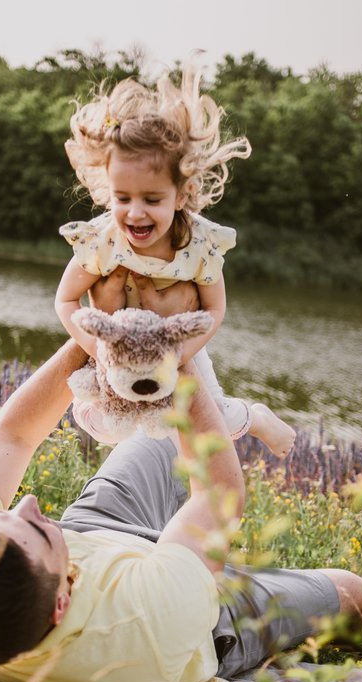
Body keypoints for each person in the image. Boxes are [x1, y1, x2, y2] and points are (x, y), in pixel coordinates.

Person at [0, 277, 362, 682]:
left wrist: (102, 342)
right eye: (34, 527)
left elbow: (13, 436)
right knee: (355, 591)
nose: (29, 502)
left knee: (157, 431)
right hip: (201, 614)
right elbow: (218, 496)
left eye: (6, 515)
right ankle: (337, 621)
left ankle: (245, 419)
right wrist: (172, 360)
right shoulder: (143, 632)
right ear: (62, 603)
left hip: (95, 530)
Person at [54, 66, 296, 458]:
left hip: (178, 339)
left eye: (152, 200)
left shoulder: (198, 243)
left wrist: (180, 356)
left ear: (181, 195)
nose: (135, 214)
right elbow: (65, 301)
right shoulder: (101, 241)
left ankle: (255, 417)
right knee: (105, 428)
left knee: (208, 420)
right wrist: (96, 348)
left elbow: (215, 308)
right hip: (118, 344)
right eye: (123, 198)